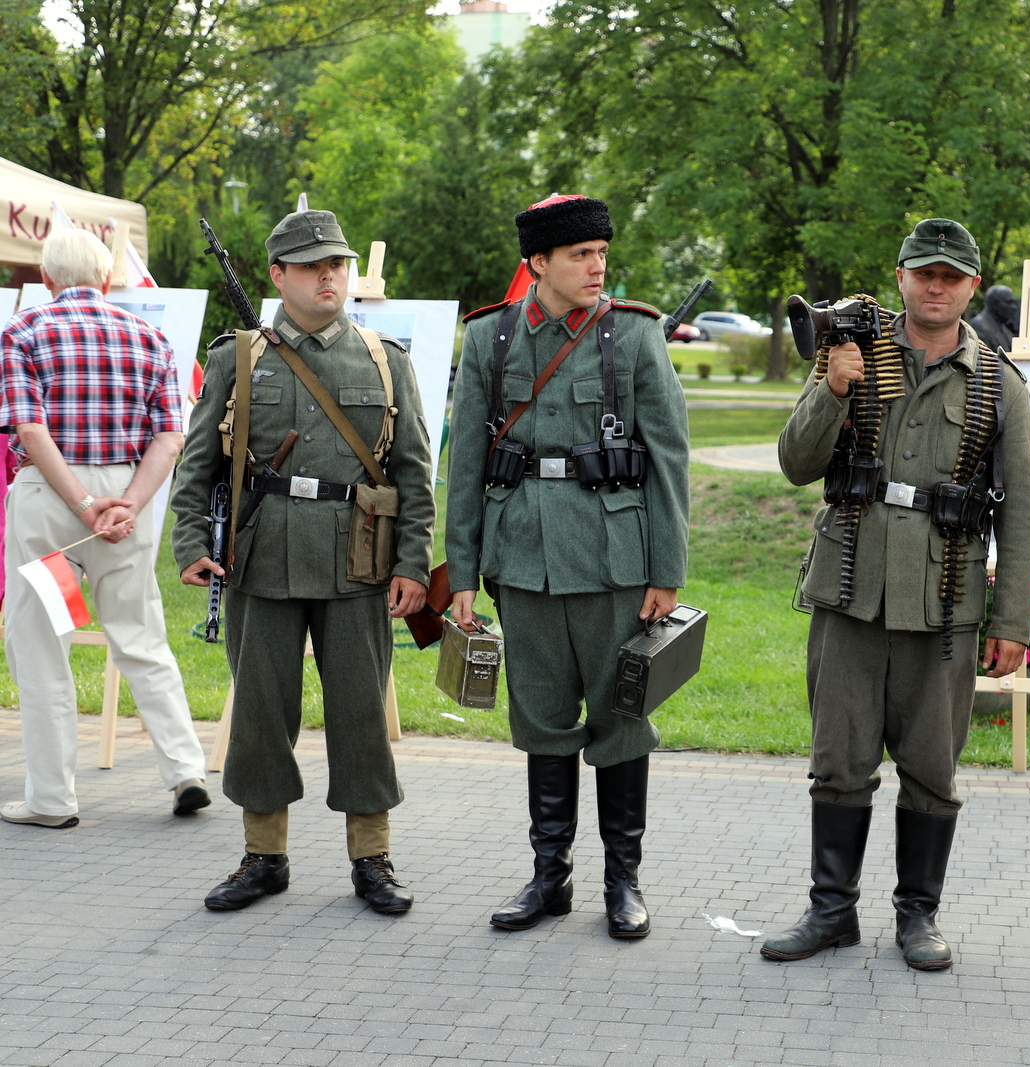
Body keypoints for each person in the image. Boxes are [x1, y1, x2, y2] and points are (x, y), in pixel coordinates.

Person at [762, 218, 1030, 971]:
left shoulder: (997, 384)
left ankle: (918, 916)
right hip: (851, 589)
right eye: (925, 272)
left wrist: (1013, 619)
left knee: (931, 766)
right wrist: (834, 388)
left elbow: (1020, 509)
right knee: (838, 757)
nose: (937, 286)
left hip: (943, 602)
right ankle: (831, 910)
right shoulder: (850, 354)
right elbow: (794, 462)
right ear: (901, 277)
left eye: (952, 275)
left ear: (972, 286)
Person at [169, 210, 434, 914]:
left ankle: (371, 856)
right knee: (258, 716)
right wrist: (192, 544)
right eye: (314, 265)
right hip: (263, 556)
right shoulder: (238, 356)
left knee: (361, 716)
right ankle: (263, 855)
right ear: (278, 275)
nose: (330, 276)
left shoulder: (385, 359)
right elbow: (197, 463)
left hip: (358, 561)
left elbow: (413, 474)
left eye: (338, 264)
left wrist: (413, 562)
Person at [446, 194, 689, 938]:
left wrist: (665, 570)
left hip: (614, 560)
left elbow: (669, 460)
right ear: (538, 264)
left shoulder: (635, 337)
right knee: (542, 722)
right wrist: (460, 575)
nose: (597, 266)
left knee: (621, 722)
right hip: (522, 561)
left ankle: (623, 880)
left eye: (602, 253)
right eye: (581, 254)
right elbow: (465, 466)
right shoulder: (490, 339)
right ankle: (549, 876)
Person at [0, 228, 209, 830]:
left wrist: (84, 504)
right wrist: (126, 504)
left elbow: (31, 434)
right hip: (126, 501)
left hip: (51, 502)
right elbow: (172, 436)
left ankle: (52, 798)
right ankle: (185, 771)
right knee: (139, 636)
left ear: (46, 279)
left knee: (44, 643)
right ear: (109, 278)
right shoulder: (149, 337)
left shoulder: (22, 332)